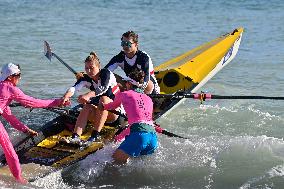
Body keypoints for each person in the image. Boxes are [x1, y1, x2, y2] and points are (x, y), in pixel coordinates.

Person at [0, 63, 67, 183]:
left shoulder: (2, 89)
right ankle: (19, 180)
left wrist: (25, 129)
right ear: (10, 77)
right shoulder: (10, 88)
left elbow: (9, 117)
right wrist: (57, 102)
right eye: (18, 75)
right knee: (10, 152)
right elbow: (33, 102)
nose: (19, 78)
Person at [99, 68, 158, 164]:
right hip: (153, 138)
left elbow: (113, 106)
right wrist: (119, 137)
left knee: (113, 162)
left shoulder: (124, 94)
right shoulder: (149, 99)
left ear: (129, 84)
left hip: (139, 136)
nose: (125, 85)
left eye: (126, 82)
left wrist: (103, 106)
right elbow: (139, 124)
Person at [61, 52, 122, 145]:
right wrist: (66, 96)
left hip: (116, 115)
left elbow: (102, 88)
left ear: (98, 67)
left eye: (91, 68)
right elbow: (74, 88)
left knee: (104, 100)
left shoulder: (106, 73)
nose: (89, 71)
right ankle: (75, 136)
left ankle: (94, 136)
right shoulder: (86, 78)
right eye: (86, 68)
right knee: (87, 106)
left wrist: (87, 95)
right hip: (100, 113)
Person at [104, 30, 160, 94]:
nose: (125, 46)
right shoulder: (119, 57)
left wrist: (138, 91)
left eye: (128, 44)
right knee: (110, 75)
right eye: (123, 43)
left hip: (150, 90)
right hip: (131, 87)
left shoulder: (143, 57)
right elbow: (105, 71)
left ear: (136, 44)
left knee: (142, 77)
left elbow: (147, 78)